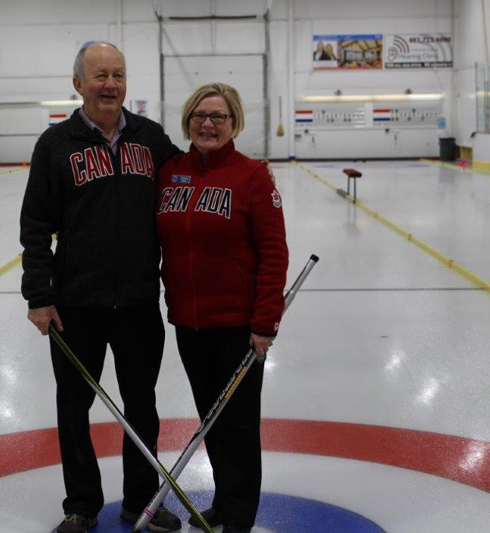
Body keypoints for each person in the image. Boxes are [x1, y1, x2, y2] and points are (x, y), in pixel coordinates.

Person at [20, 41, 182, 533]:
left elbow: (188, 186)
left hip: (136, 302)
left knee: (142, 406)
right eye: (99, 76)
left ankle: (141, 501)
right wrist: (40, 295)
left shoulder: (151, 139)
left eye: (117, 74)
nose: (110, 85)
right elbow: (35, 223)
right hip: (75, 306)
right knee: (73, 409)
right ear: (78, 84)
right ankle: (82, 505)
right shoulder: (55, 145)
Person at [155, 83, 289, 532]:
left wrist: (265, 322)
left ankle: (240, 516)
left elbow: (273, 252)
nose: (208, 124)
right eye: (199, 115)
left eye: (219, 117)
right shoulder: (171, 172)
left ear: (235, 123)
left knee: (239, 427)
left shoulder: (252, 176)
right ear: (187, 119)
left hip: (237, 326)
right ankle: (225, 499)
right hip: (188, 323)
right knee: (212, 422)